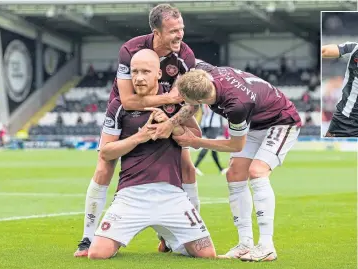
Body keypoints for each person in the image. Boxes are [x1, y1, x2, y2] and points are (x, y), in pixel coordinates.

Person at [74, 4, 200, 257]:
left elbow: (191, 104)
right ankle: (87, 239)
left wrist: (170, 123)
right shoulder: (130, 49)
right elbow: (129, 100)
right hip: (129, 107)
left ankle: (182, 235)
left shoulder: (185, 57)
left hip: (166, 112)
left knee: (186, 165)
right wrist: (168, 100)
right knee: (103, 165)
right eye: (173, 31)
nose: (180, 35)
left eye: (181, 29)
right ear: (156, 31)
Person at [87, 49, 216, 259]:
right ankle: (134, 235)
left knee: (207, 254)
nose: (138, 78)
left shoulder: (175, 100)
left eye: (145, 71)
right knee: (97, 254)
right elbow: (106, 153)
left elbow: (195, 139)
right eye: (134, 71)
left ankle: (170, 238)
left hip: (172, 195)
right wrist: (140, 136)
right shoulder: (119, 105)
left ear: (158, 73)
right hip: (131, 196)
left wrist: (170, 123)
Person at [172, 62, 301, 262]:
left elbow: (235, 145)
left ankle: (267, 246)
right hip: (257, 122)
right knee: (234, 174)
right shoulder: (208, 72)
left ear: (198, 100)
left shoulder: (237, 105)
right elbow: (188, 57)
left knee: (257, 171)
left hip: (281, 121)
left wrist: (195, 141)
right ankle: (245, 243)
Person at [321, 42, 358, 137]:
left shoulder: (354, 48)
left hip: (345, 117)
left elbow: (324, 51)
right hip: (345, 117)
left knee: (329, 148)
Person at [194, 104, 226, 176]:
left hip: (206, 124)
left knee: (213, 148)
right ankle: (194, 166)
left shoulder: (204, 101)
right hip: (213, 125)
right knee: (208, 146)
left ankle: (221, 169)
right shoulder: (214, 100)